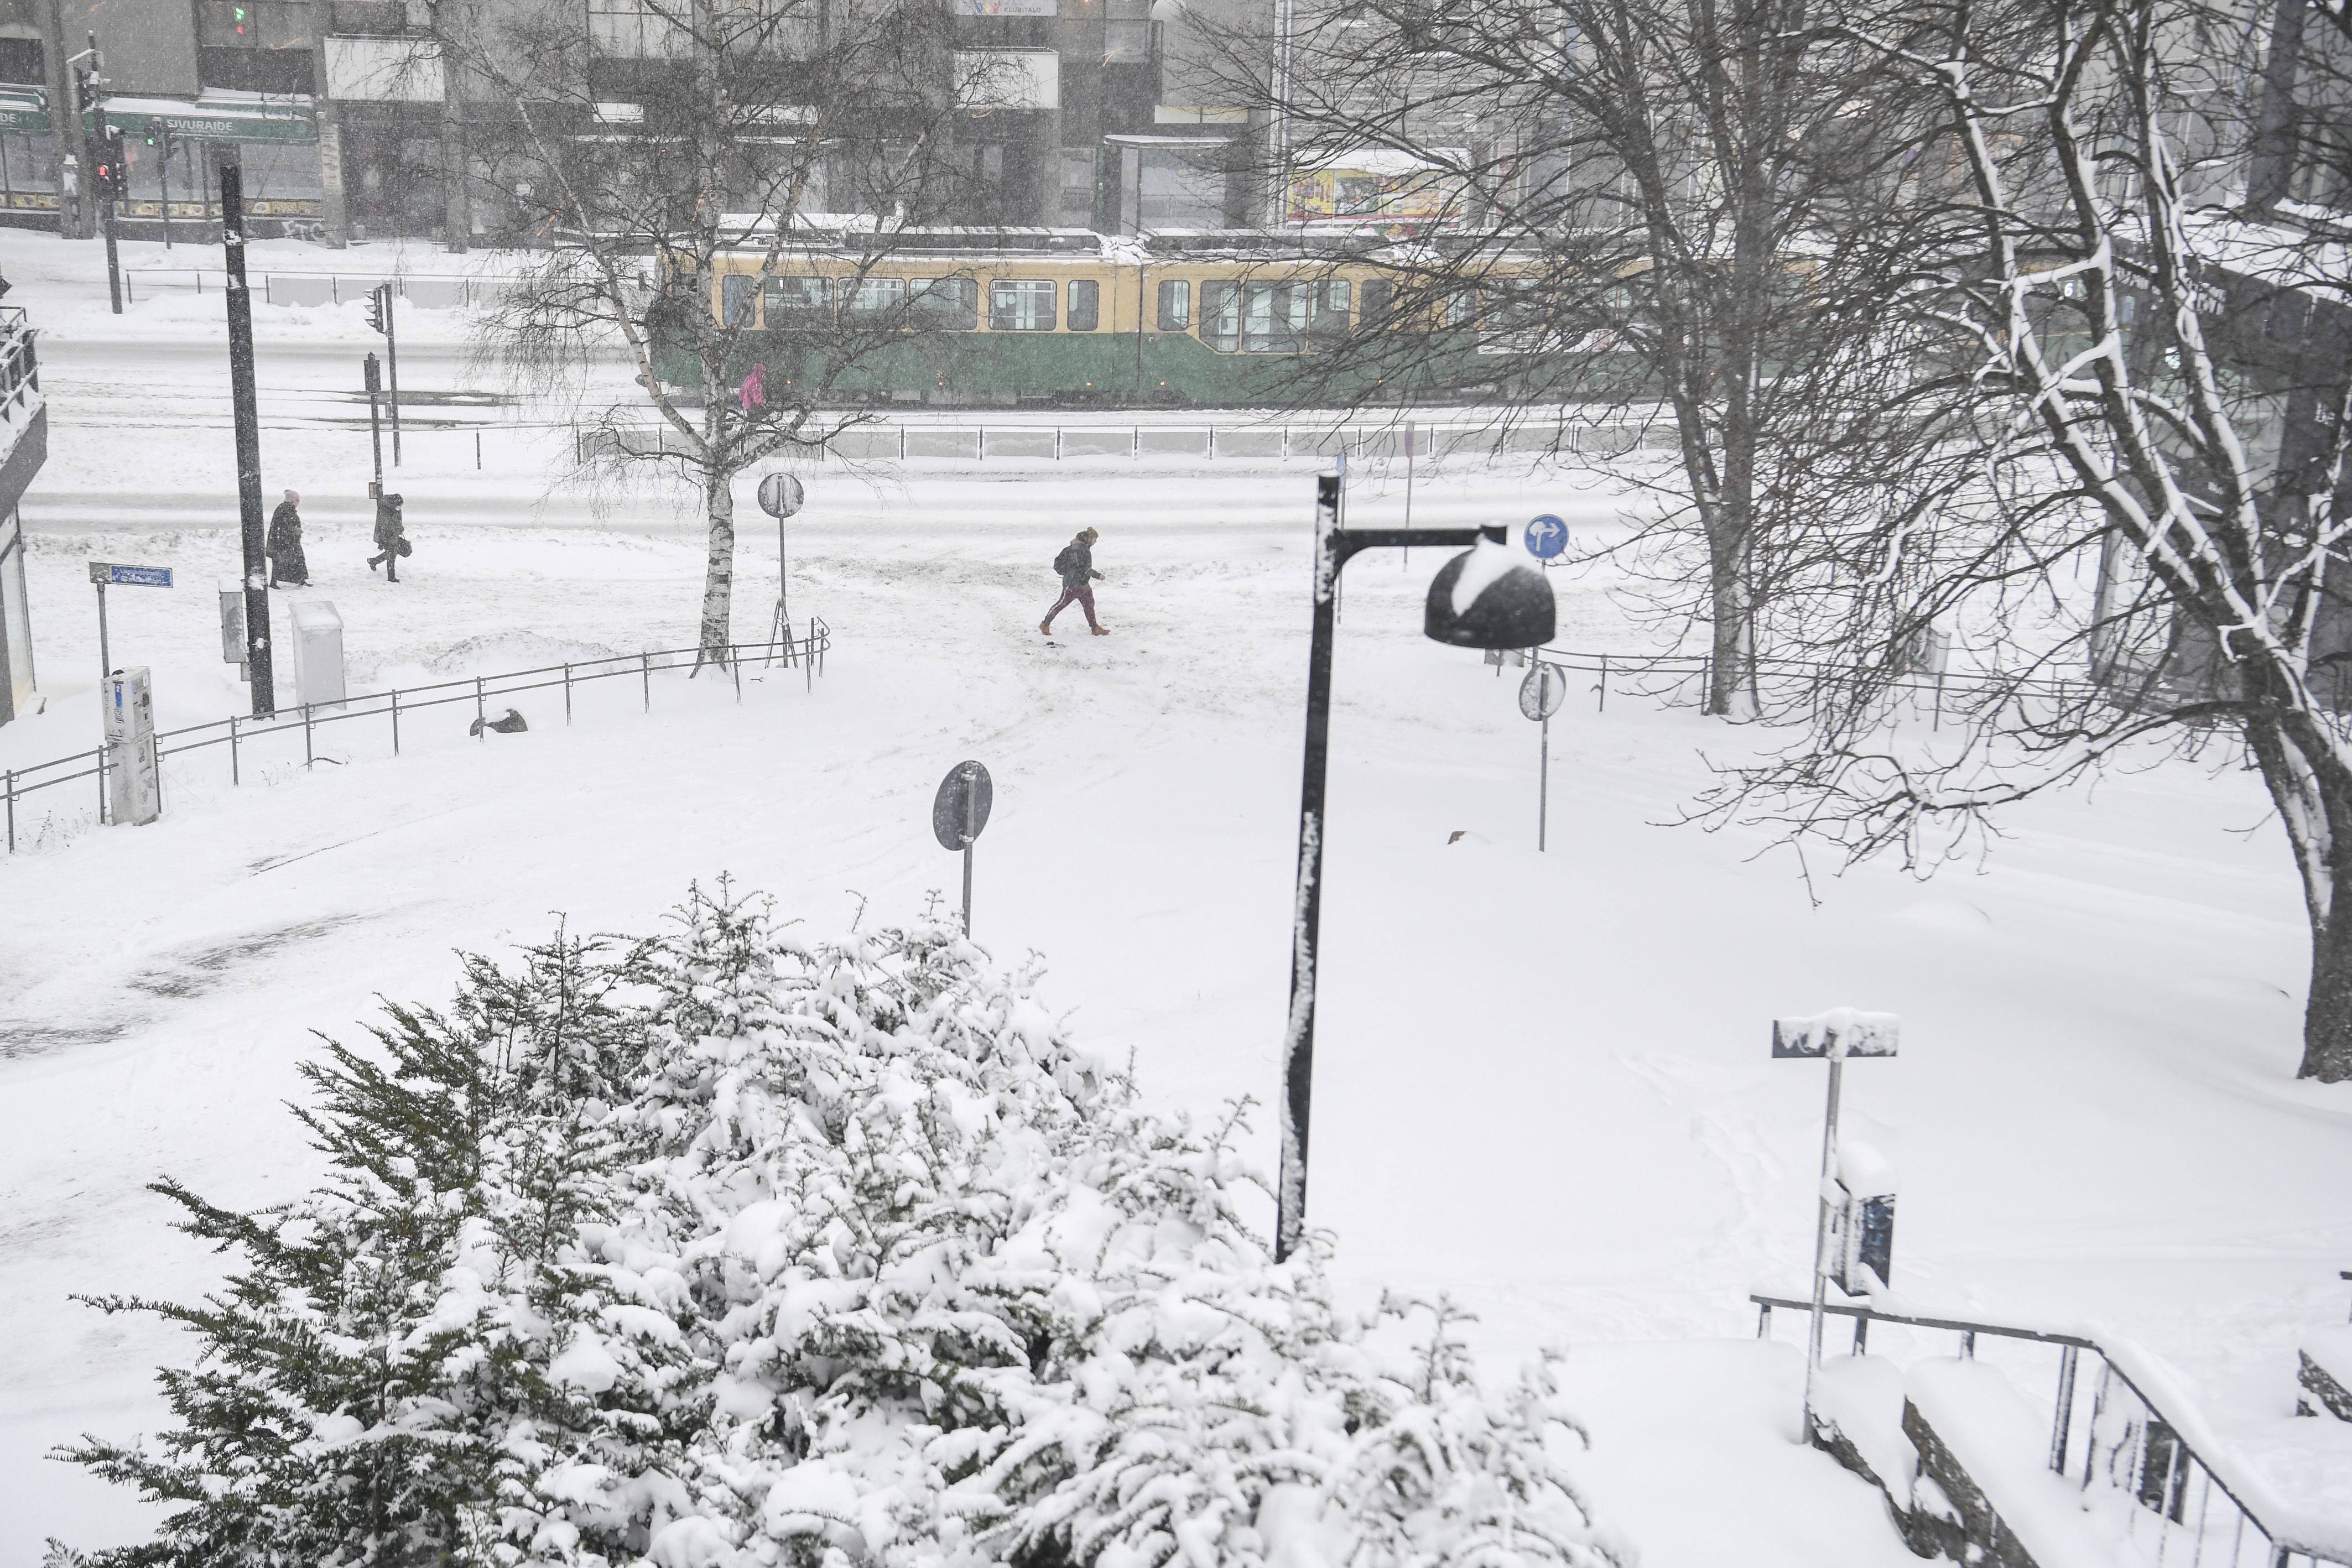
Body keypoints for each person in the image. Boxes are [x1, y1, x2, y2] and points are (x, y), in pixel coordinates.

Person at [1040, 527, 1108, 637]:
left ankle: (1095, 628)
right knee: (1062, 604)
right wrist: (1098, 576)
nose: (1095, 542)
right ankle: (1045, 624)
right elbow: (1085, 569)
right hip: (1073, 584)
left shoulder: (1078, 548)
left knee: (1089, 604)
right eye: (1095, 539)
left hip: (1082, 583)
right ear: (1090, 539)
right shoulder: (1082, 550)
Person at [266, 489, 309, 587]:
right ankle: (299, 579)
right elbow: (286, 527)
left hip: (283, 540)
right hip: (285, 542)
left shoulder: (283, 509)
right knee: (292, 560)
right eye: (298, 501)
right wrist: (295, 531)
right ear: (293, 501)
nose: (298, 503)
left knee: (286, 560)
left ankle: (300, 579)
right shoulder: (286, 510)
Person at [368, 492, 409, 582]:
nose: (399, 508)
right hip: (387, 536)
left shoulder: (395, 507)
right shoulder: (385, 510)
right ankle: (391, 577)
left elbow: (397, 520)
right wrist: (382, 541)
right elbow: (382, 526)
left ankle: (374, 561)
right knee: (392, 555)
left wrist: (400, 528)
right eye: (398, 506)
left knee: (396, 553)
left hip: (394, 534)